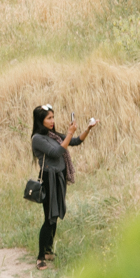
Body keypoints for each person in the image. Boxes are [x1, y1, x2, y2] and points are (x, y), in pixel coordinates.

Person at [31, 104, 97, 269]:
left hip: (58, 177)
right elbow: (57, 152)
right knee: (49, 218)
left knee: (55, 215)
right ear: (41, 120)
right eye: (49, 118)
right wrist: (69, 133)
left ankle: (48, 251)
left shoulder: (52, 134)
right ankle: (40, 258)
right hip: (49, 179)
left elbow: (74, 141)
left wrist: (87, 129)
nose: (52, 121)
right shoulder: (37, 138)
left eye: (53, 117)